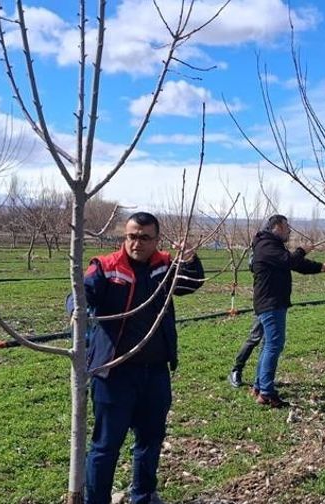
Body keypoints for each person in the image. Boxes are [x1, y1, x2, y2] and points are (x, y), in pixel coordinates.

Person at [82, 212, 204, 504]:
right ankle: (95, 500)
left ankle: (144, 495)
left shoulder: (164, 266)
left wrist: (189, 259)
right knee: (106, 445)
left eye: (144, 237)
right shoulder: (106, 267)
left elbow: (191, 282)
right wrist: (77, 306)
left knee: (151, 439)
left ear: (156, 240)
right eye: (131, 236)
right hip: (114, 373)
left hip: (155, 373)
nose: (136, 243)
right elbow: (82, 292)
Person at [246, 214, 325, 408]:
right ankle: (267, 393)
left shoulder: (271, 246)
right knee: (274, 345)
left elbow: (296, 264)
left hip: (271, 302)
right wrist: (302, 250)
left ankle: (259, 386)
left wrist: (321, 267)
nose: (289, 231)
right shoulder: (266, 246)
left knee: (268, 344)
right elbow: (289, 261)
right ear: (277, 227)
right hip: (270, 303)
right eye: (287, 227)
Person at [227, 317, 263, 387]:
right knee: (254, 338)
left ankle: (263, 377)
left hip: (277, 309)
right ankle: (236, 370)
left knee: (268, 343)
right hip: (264, 308)